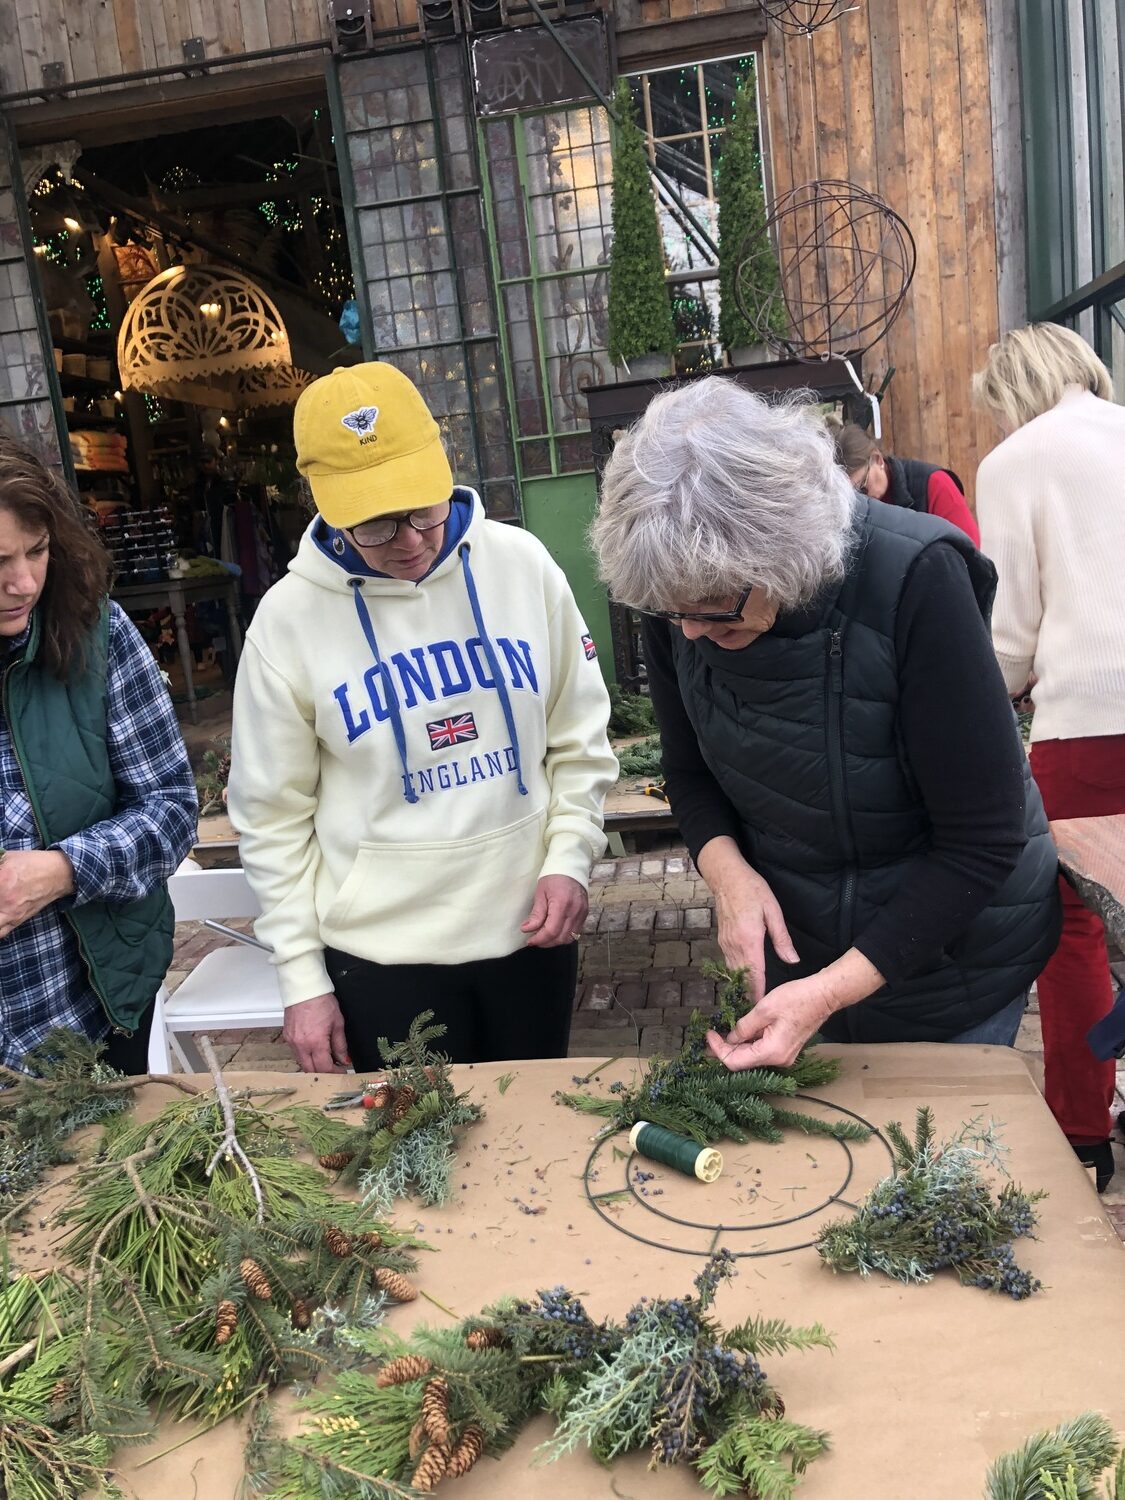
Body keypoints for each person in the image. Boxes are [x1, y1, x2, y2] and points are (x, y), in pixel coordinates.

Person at [589, 377, 1060, 1071]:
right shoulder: (681, 601)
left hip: (949, 962)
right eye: (669, 611)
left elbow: (981, 841)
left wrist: (827, 992)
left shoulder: (916, 577)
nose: (688, 631)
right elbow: (687, 773)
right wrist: (729, 878)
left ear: (781, 555)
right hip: (802, 954)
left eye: (713, 608)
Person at [227, 362, 616, 1071]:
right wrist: (301, 978)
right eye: (375, 522)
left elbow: (579, 739)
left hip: (529, 933)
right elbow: (270, 818)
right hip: (381, 960)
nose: (409, 539)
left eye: (421, 507)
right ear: (326, 504)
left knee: (535, 1145)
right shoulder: (286, 623)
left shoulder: (521, 567)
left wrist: (569, 858)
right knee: (420, 1168)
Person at [973, 323, 1125, 1191]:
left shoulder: (1017, 460)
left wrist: (995, 695)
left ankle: (1081, 1131)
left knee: (1074, 930)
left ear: (1010, 391)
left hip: (1089, 721)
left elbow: (1009, 631)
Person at [0, 438, 197, 1071]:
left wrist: (60, 871)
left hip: (88, 1007)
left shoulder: (97, 638)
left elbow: (170, 810)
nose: (23, 582)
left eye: (38, 551)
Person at [831, 420, 980, 545]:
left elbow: (970, 551)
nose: (861, 501)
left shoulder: (934, 484)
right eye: (852, 497)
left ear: (878, 459)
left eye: (863, 488)